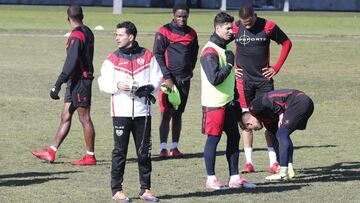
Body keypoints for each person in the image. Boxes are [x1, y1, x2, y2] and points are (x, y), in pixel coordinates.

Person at [98, 21, 162, 202]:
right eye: (116, 34)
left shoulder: (148, 55)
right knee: (120, 152)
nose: (117, 38)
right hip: (121, 112)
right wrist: (118, 85)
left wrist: (150, 87)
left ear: (131, 37)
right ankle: (116, 190)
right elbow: (102, 83)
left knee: (144, 152)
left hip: (143, 113)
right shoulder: (112, 59)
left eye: (120, 34)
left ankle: (145, 189)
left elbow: (158, 77)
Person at [31, 5, 96, 166]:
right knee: (65, 115)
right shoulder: (88, 31)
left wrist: (58, 84)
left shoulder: (75, 36)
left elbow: (71, 62)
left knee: (84, 117)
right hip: (76, 81)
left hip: (81, 81)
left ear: (68, 18)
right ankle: (51, 151)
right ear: (83, 16)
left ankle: (90, 156)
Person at [233, 5, 292, 173]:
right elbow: (219, 43)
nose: (248, 26)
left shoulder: (268, 26)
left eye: (250, 22)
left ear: (255, 16)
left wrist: (277, 67)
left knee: (269, 122)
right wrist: (232, 66)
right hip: (243, 83)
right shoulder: (236, 27)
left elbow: (286, 43)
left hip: (264, 82)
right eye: (245, 23)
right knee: (245, 122)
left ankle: (273, 162)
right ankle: (249, 163)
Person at [200, 12, 256, 190]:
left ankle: (234, 178)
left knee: (233, 138)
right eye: (228, 28)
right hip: (214, 104)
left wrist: (236, 99)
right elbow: (215, 78)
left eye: (233, 28)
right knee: (213, 140)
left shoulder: (225, 49)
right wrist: (230, 65)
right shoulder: (209, 50)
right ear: (217, 28)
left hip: (230, 104)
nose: (232, 31)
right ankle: (211, 179)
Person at [153, 3, 199, 158]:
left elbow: (194, 54)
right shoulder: (164, 31)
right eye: (179, 16)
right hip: (168, 80)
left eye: (185, 16)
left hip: (184, 79)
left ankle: (175, 147)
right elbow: (157, 55)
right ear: (173, 15)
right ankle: (163, 147)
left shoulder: (192, 33)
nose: (182, 19)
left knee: (178, 114)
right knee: (165, 113)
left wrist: (189, 70)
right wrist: (167, 77)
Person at [239, 89, 314, 180]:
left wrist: (280, 113)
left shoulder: (253, 108)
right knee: (281, 135)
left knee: (282, 134)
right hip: (305, 104)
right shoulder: (267, 119)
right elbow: (276, 142)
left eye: (252, 129)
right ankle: (288, 168)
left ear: (249, 124)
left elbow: (266, 99)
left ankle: (283, 172)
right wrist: (281, 161)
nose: (255, 130)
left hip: (298, 101)